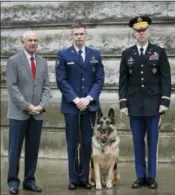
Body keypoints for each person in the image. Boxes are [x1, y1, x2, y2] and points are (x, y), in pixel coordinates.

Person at [118, 16, 171, 189]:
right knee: (137, 142)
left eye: (144, 30)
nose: (141, 33)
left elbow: (165, 79)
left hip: (154, 105)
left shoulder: (159, 52)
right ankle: (140, 176)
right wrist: (123, 103)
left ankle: (152, 176)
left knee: (153, 143)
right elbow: (123, 81)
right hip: (134, 106)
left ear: (148, 31)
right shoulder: (127, 54)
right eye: (138, 30)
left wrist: (164, 101)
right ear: (133, 33)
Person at [55, 22, 105, 190]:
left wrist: (89, 98)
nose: (79, 37)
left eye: (81, 34)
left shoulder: (95, 54)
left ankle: (84, 178)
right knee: (72, 143)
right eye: (76, 34)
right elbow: (61, 80)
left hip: (89, 107)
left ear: (86, 35)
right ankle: (73, 178)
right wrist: (76, 100)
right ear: (72, 36)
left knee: (86, 143)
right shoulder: (63, 55)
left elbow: (99, 79)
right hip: (71, 107)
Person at [6, 31, 50, 194]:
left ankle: (29, 180)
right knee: (15, 149)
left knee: (33, 149)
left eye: (35, 40)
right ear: (22, 42)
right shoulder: (13, 61)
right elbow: (12, 86)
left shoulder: (43, 62)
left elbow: (46, 87)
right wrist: (26, 106)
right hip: (19, 113)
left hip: (37, 113)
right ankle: (13, 182)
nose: (33, 43)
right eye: (30, 40)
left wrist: (41, 105)